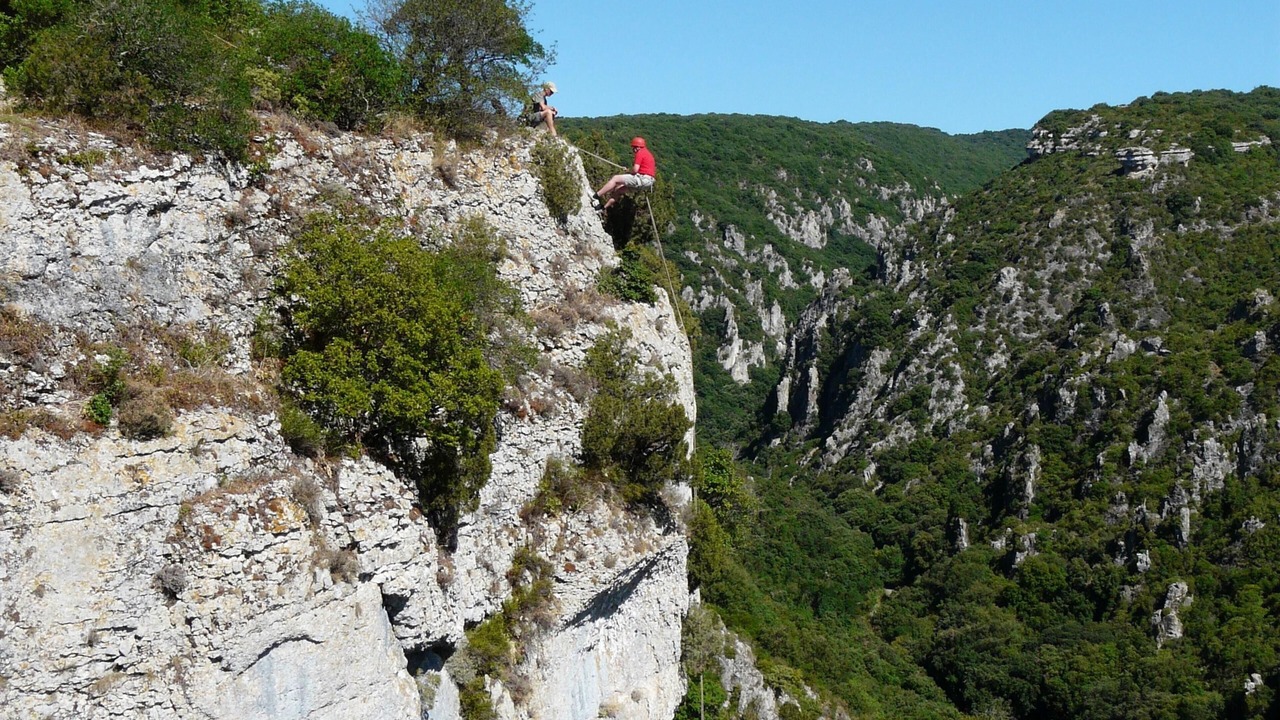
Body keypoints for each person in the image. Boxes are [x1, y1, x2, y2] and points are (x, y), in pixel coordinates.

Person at [593, 137, 655, 210]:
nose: (633, 150)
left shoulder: (640, 153)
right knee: (619, 190)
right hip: (648, 182)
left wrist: (628, 171)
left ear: (637, 147)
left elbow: (635, 170)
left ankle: (596, 196)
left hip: (642, 179)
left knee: (615, 178)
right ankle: (602, 208)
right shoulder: (648, 153)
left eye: (633, 148)